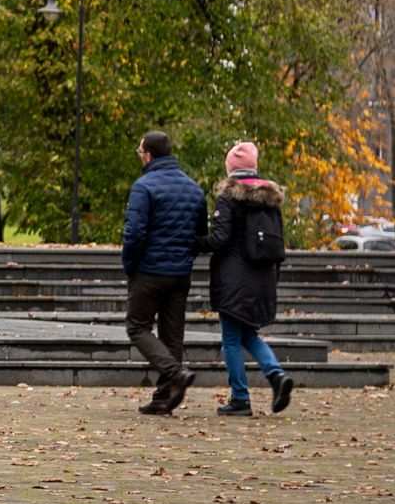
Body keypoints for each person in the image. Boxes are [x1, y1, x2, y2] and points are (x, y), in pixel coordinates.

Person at [206, 140, 296, 417]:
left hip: (234, 279)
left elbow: (220, 239)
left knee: (231, 339)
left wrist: (194, 241)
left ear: (231, 168)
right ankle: (276, 375)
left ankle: (240, 398)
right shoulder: (270, 200)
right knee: (249, 334)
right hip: (263, 278)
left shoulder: (230, 198)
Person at [121, 130, 206, 415]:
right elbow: (199, 235)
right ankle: (163, 398)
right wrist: (184, 258)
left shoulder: (144, 187)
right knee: (173, 336)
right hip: (180, 273)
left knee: (137, 326)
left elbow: (134, 234)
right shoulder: (194, 189)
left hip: (149, 271)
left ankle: (175, 373)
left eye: (139, 152)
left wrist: (130, 266)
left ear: (148, 155)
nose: (139, 156)